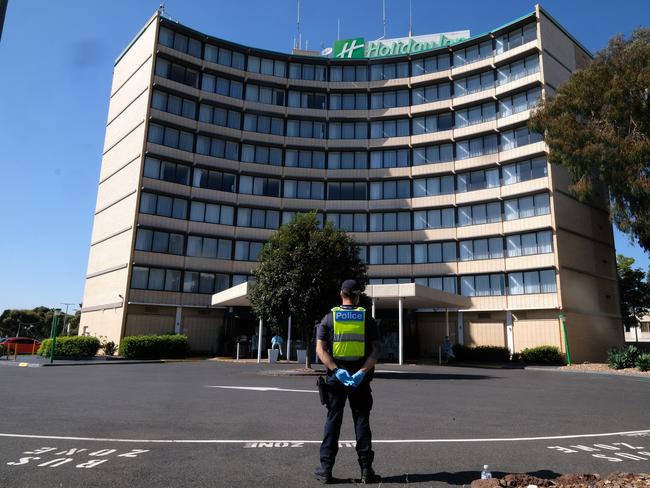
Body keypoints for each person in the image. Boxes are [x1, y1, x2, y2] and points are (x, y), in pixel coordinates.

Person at [314, 279, 382, 484]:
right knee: (361, 421)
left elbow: (320, 350)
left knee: (333, 421)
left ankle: (326, 470)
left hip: (336, 379)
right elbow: (376, 350)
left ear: (341, 294)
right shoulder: (367, 320)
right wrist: (361, 372)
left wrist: (336, 370)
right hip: (360, 381)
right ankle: (366, 471)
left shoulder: (328, 319)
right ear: (358, 295)